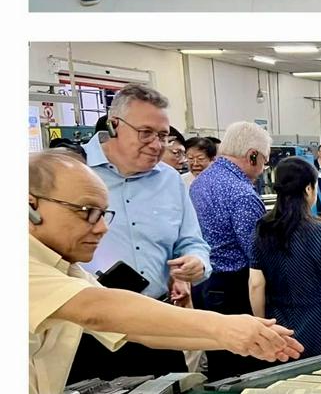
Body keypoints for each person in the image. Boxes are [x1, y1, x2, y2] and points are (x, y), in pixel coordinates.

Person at [29, 151, 303, 394]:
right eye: (87, 212)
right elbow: (97, 310)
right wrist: (225, 327)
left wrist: (235, 339)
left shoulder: (66, 270)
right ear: (30, 205)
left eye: (103, 214)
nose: (102, 228)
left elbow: (133, 327)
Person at [67, 84, 212, 382]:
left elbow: (192, 241)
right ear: (115, 125)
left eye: (162, 135)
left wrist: (196, 262)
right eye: (145, 133)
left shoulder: (170, 181)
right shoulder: (70, 172)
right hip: (85, 331)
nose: (156, 144)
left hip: (154, 323)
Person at [190, 122, 272, 379]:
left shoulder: (200, 183)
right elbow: (256, 253)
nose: (263, 169)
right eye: (264, 161)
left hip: (203, 283)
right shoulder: (242, 195)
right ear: (253, 155)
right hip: (234, 289)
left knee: (219, 359)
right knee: (245, 363)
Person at [250, 157, 321, 358]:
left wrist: (262, 327)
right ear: (308, 189)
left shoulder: (262, 230)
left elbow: (255, 284)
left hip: (280, 328)